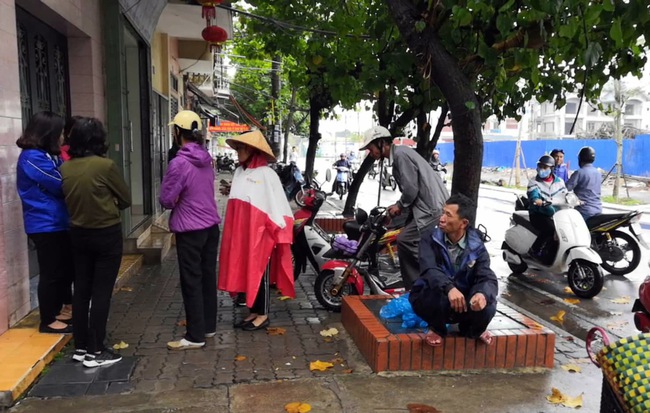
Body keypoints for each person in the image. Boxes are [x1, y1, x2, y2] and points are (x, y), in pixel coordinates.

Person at [61, 117, 131, 367]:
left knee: (81, 290)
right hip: (106, 234)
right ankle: (97, 350)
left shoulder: (65, 168)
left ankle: (80, 347)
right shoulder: (105, 166)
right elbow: (125, 199)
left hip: (78, 234)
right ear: (98, 139)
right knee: (101, 292)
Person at [218, 130, 294, 331]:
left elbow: (277, 205)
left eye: (241, 148)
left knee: (261, 274)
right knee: (246, 271)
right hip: (243, 234)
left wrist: (277, 231)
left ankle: (263, 314)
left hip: (262, 234)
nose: (237, 152)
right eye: (237, 148)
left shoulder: (267, 174)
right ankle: (253, 311)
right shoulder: (240, 172)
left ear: (252, 150)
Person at [360, 126, 449, 290]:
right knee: (402, 238)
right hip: (425, 208)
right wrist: (395, 211)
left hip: (430, 209)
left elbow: (411, 190)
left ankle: (432, 279)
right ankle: (417, 286)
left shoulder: (401, 155)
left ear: (381, 143)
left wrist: (399, 205)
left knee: (405, 241)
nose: (370, 153)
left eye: (370, 148)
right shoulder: (399, 155)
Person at [161, 110, 222, 350]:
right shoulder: (207, 159)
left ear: (177, 133)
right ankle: (208, 327)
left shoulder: (179, 163)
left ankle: (195, 336)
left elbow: (166, 199)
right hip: (210, 227)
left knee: (191, 280)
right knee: (207, 277)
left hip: (189, 229)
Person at [409, 193, 498, 347]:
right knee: (430, 293)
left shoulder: (477, 245)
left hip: (463, 302)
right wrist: (449, 288)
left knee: (488, 303)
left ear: (463, 223)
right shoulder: (429, 238)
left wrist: (481, 294)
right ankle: (437, 329)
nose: (441, 218)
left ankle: (472, 330)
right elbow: (429, 269)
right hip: (438, 298)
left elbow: (486, 275)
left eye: (448, 215)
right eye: (443, 212)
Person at [16, 111, 75, 334]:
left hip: (59, 221)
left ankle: (59, 311)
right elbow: (61, 183)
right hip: (44, 224)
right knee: (51, 272)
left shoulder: (48, 155)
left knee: (62, 270)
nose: (63, 137)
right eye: (60, 132)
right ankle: (47, 320)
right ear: (49, 133)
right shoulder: (32, 157)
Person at [527, 155, 568, 262]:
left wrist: (575, 199)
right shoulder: (534, 181)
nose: (542, 169)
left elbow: (566, 194)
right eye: (540, 166)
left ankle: (552, 254)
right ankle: (534, 250)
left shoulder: (559, 182)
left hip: (556, 214)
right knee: (550, 229)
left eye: (545, 167)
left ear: (551, 169)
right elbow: (533, 194)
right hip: (538, 213)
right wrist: (537, 200)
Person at [566, 146, 602, 220]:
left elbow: (566, 188)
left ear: (580, 158)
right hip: (598, 209)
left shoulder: (579, 172)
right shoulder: (598, 173)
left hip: (583, 210)